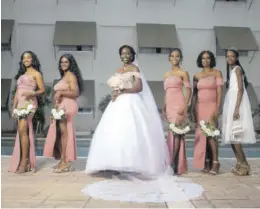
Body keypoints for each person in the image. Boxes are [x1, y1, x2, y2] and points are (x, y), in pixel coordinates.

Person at [82, 45, 203, 203]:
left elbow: (138, 87)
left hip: (132, 103)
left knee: (132, 132)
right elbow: (118, 86)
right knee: (116, 133)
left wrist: (123, 91)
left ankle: (133, 164)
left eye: (128, 53)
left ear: (132, 55)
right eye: (123, 53)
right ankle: (115, 164)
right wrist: (115, 91)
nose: (125, 55)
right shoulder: (119, 69)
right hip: (117, 104)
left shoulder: (134, 68)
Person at [43, 54, 83, 173]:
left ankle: (66, 162)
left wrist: (62, 93)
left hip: (68, 105)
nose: (63, 64)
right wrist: (55, 106)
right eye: (61, 62)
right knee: (59, 134)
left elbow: (75, 93)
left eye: (66, 62)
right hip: (61, 105)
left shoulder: (71, 76)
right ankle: (63, 160)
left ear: (71, 63)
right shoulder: (65, 76)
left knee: (64, 134)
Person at [9, 51, 45, 173]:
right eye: (24, 58)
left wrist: (31, 93)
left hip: (29, 104)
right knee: (21, 132)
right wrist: (13, 106)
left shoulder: (36, 74)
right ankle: (25, 160)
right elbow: (17, 91)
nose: (26, 60)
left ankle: (24, 162)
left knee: (23, 131)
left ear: (32, 59)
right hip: (19, 104)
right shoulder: (21, 75)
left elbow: (42, 90)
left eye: (28, 57)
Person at [222, 48, 256, 176]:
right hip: (231, 101)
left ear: (236, 58)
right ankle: (239, 163)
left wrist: (236, 108)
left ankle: (245, 164)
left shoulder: (237, 70)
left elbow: (240, 89)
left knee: (235, 136)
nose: (229, 58)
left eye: (232, 56)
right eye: (227, 56)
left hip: (236, 103)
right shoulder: (232, 70)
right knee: (231, 136)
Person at [191, 50, 223, 175]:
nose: (206, 60)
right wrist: (192, 110)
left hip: (211, 106)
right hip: (199, 107)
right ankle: (206, 162)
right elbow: (194, 95)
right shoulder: (196, 76)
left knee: (211, 134)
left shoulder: (217, 73)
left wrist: (218, 108)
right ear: (200, 60)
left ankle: (215, 162)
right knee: (201, 136)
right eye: (203, 58)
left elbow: (220, 92)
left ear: (211, 60)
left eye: (208, 58)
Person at [163, 48, 191, 175]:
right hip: (169, 105)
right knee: (172, 132)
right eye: (172, 56)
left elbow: (189, 91)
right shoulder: (166, 74)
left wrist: (185, 106)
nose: (175, 58)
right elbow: (166, 92)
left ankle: (174, 162)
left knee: (177, 133)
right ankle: (173, 162)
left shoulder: (183, 73)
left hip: (179, 103)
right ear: (169, 58)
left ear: (181, 58)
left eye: (177, 56)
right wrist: (164, 106)